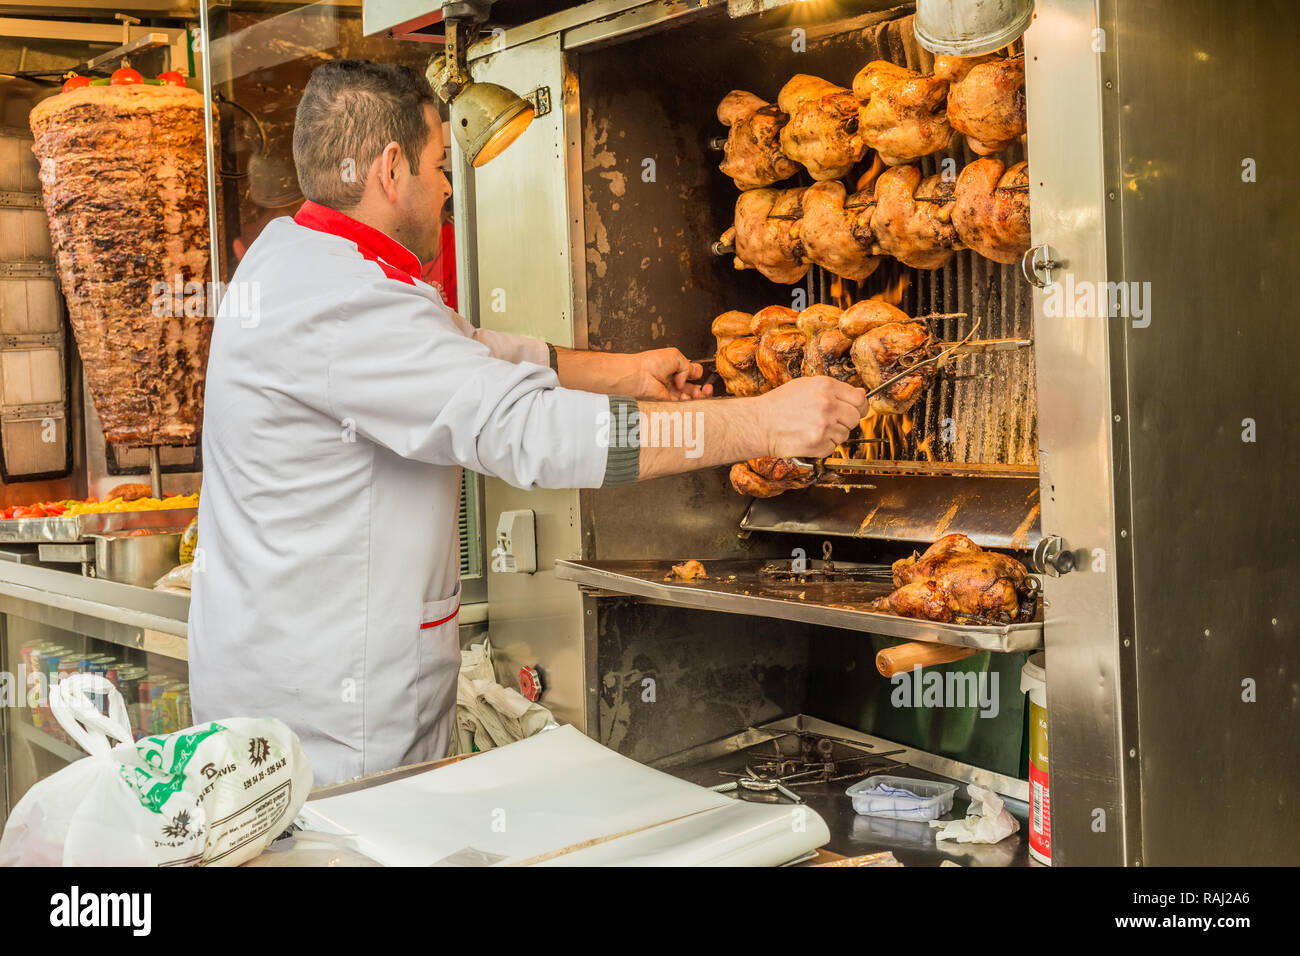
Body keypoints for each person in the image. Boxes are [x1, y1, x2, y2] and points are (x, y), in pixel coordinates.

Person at [189, 59, 868, 785]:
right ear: (390, 170)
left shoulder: (294, 256)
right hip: (331, 726)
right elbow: (533, 434)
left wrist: (622, 371)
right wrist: (760, 423)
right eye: (439, 165)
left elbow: (464, 352)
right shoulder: (347, 303)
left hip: (291, 680)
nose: (448, 188)